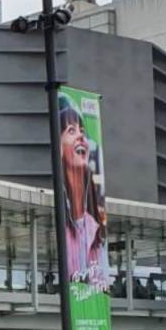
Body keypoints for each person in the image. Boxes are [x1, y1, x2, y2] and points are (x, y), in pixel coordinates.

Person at [58, 94, 109, 289]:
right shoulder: (62, 227)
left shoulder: (95, 229)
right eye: (71, 130)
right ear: (59, 148)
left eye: (82, 130)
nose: (81, 136)